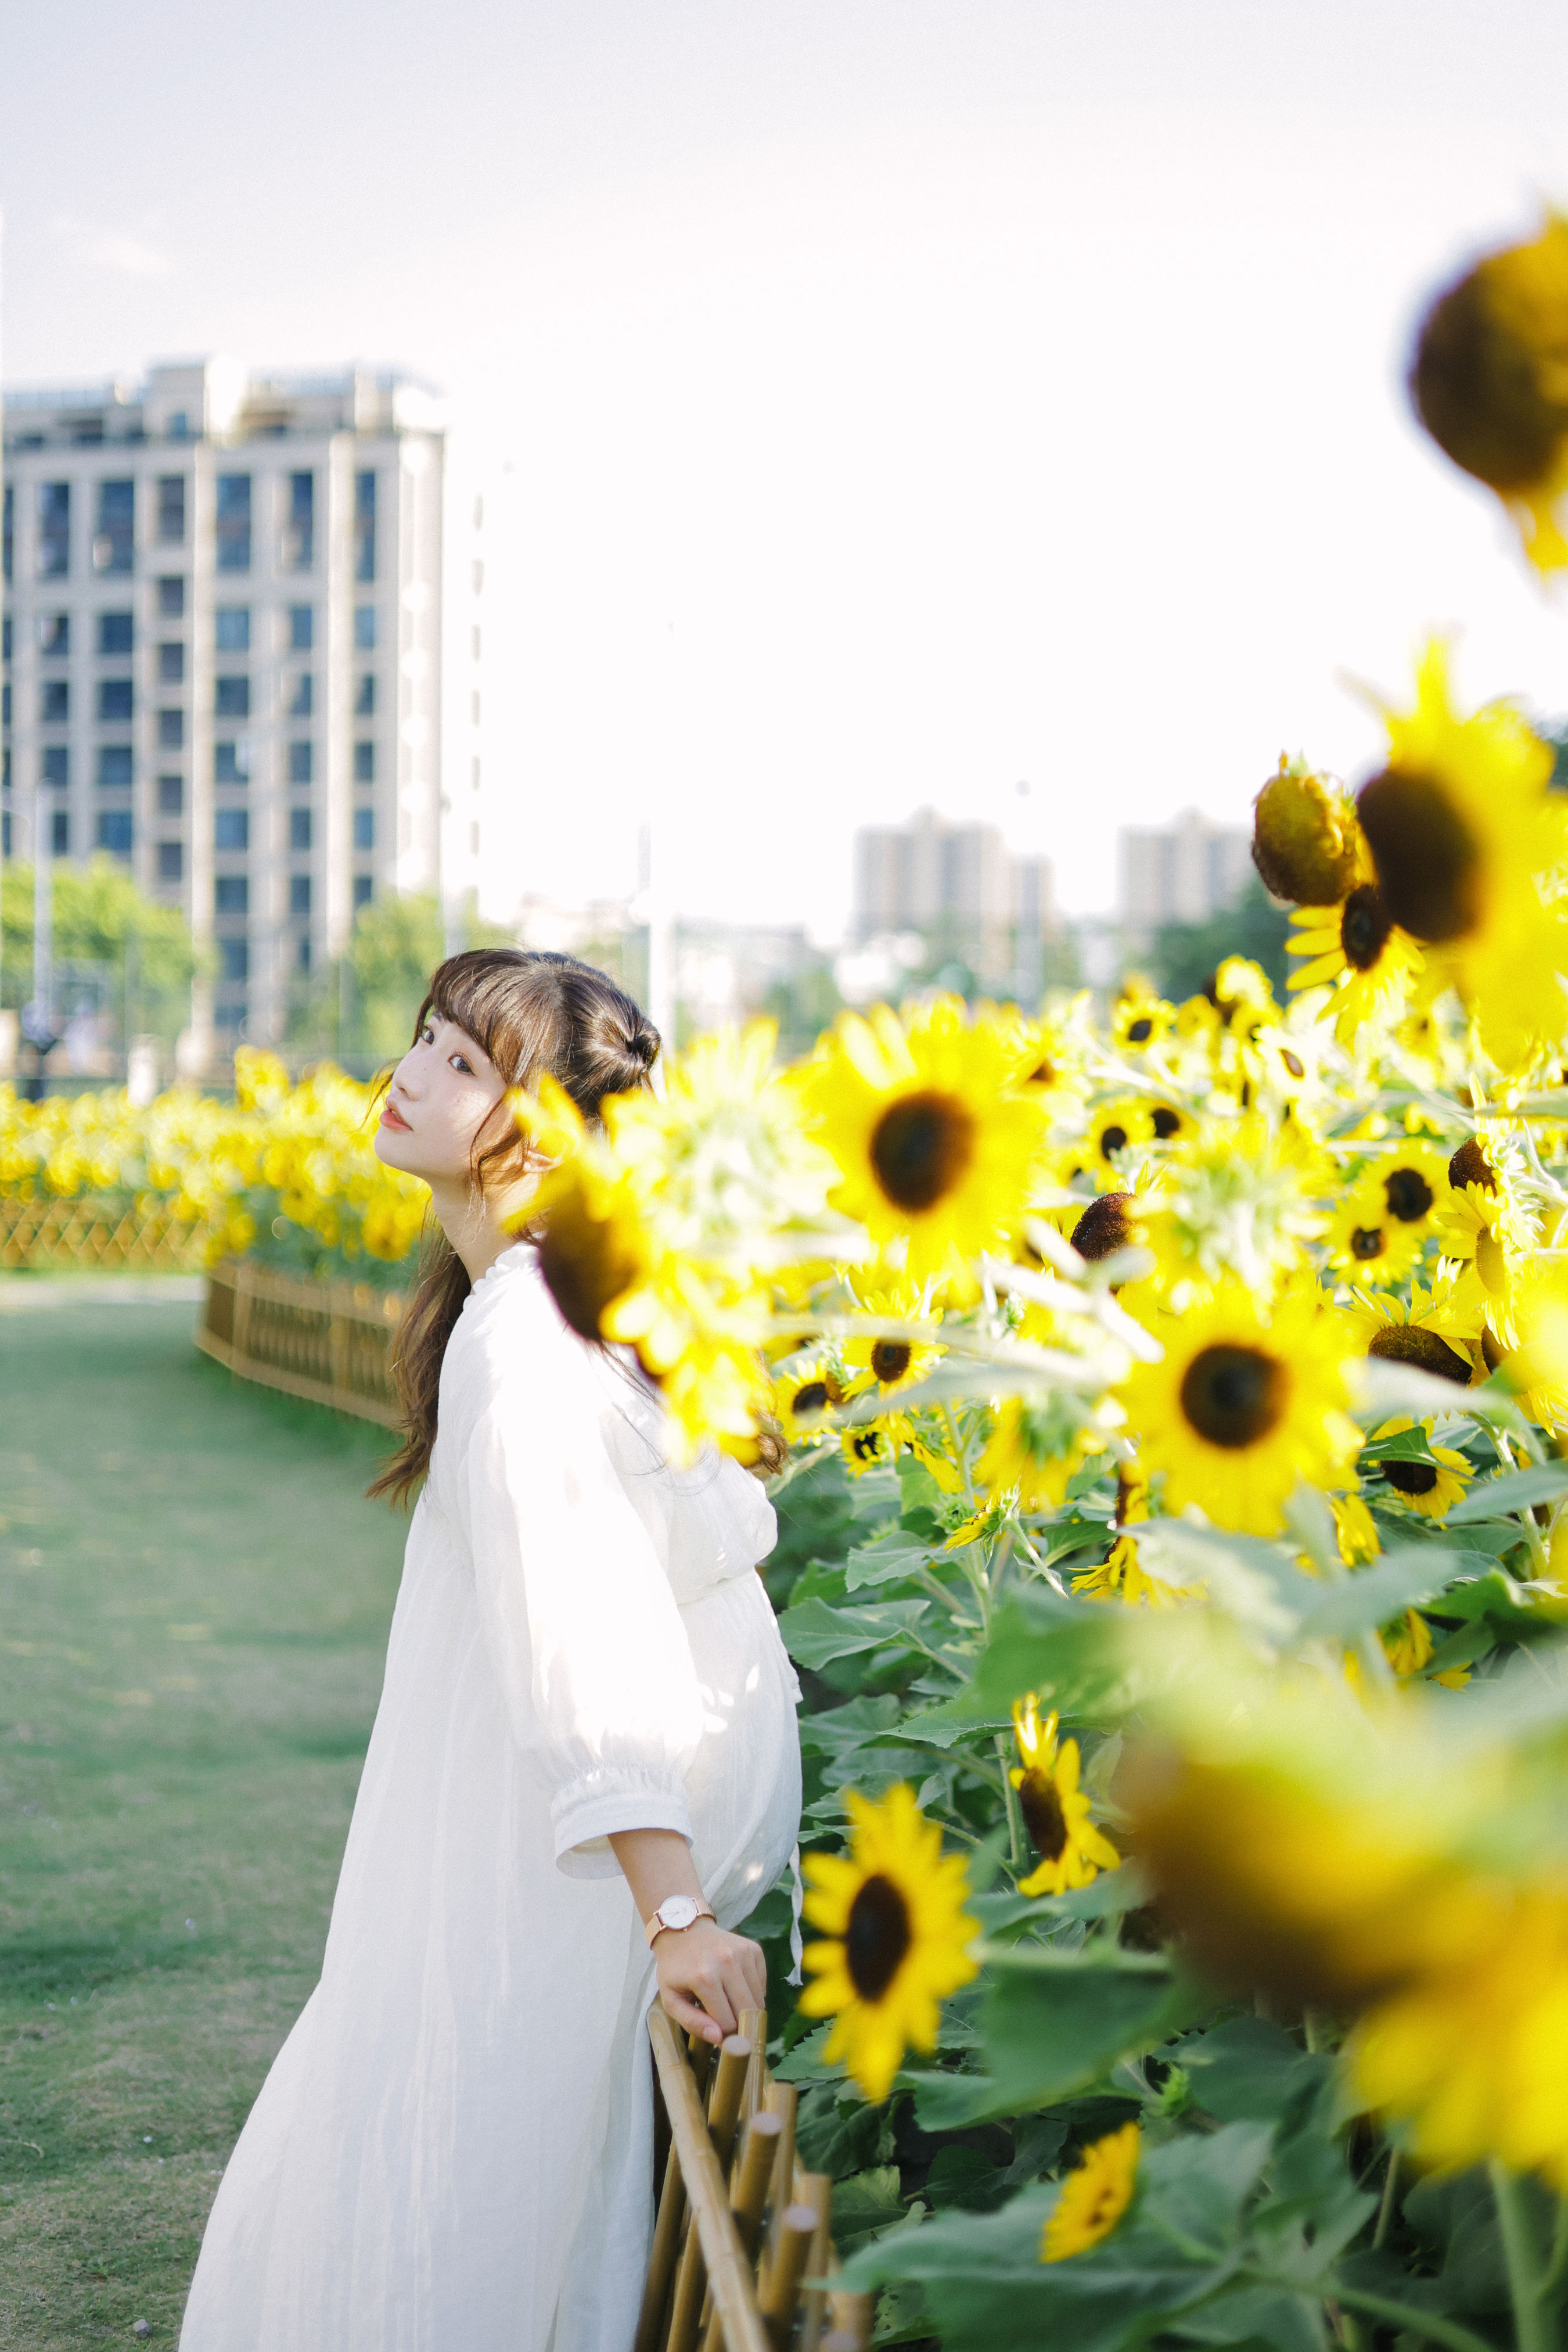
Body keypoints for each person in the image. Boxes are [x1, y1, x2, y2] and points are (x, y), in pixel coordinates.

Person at [179, 949, 803, 2352]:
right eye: (425, 1040)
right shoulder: (532, 1308)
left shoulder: (523, 1340)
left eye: (465, 1062)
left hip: (582, 1862)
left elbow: (582, 1621)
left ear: (543, 1131)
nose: (412, 1073)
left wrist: (677, 1912)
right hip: (562, 1842)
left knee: (472, 2169)